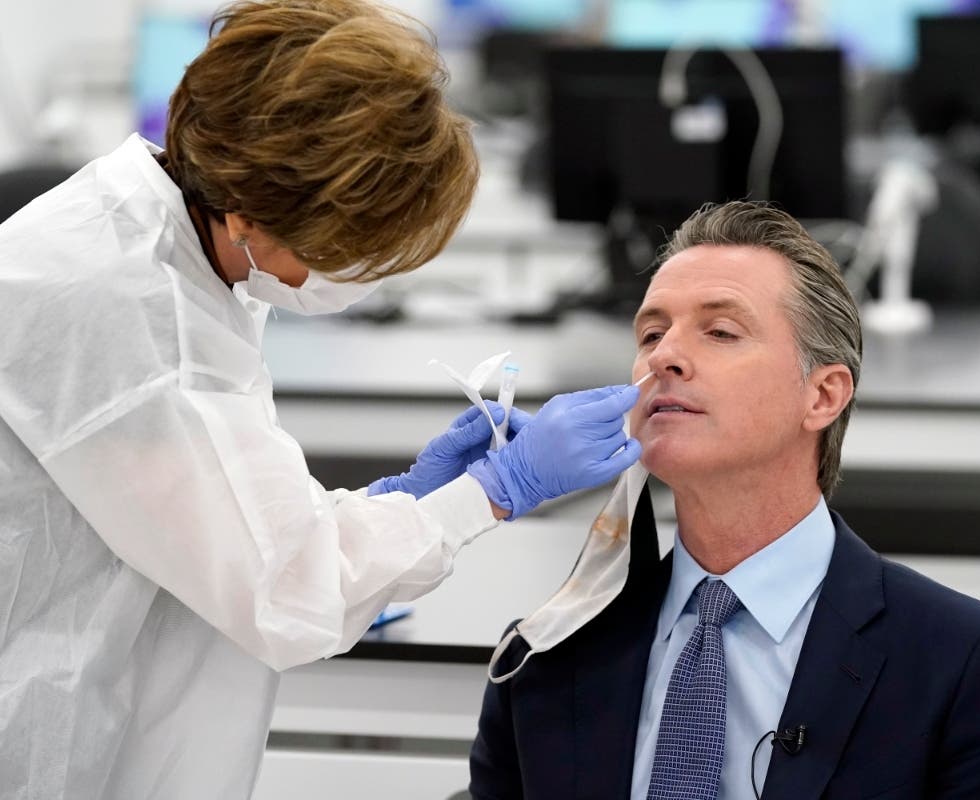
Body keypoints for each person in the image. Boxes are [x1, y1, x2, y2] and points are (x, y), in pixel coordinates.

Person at [0, 2, 641, 798]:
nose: (357, 273)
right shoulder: (128, 309)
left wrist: (402, 501)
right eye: (341, 250)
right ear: (247, 214)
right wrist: (489, 496)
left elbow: (219, 517)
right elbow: (285, 594)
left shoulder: (175, 243)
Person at [469, 200, 980, 799]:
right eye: (652, 332)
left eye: (721, 331)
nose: (663, 356)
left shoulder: (966, 669)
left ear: (823, 396)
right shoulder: (544, 655)